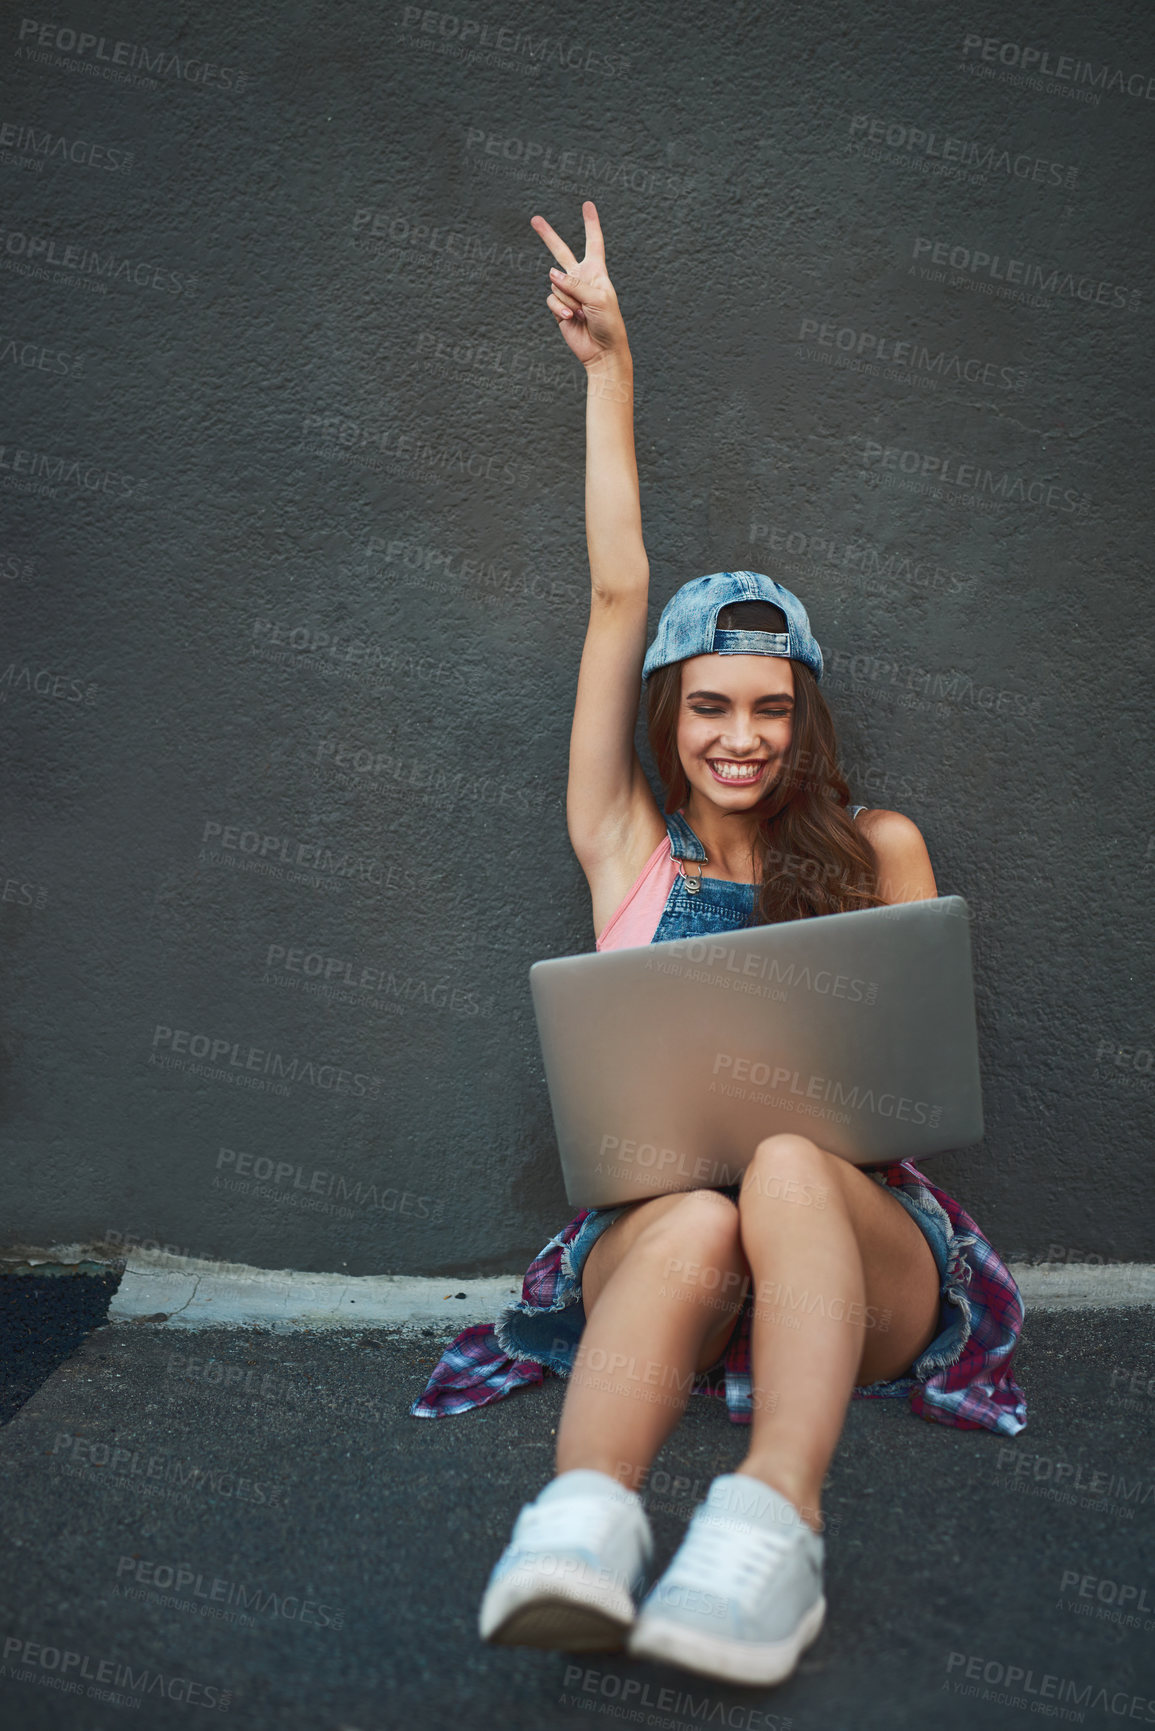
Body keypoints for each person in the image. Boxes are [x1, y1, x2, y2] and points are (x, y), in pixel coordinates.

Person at [410, 200, 1026, 1688]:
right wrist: (608, 370)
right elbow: (621, 589)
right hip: (671, 1255)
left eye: (767, 707)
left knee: (798, 1165)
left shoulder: (881, 850)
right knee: (694, 1213)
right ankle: (580, 1527)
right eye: (707, 705)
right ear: (670, 720)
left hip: (849, 1252)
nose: (738, 736)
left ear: (800, 715)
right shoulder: (623, 844)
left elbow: (914, 1085)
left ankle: (769, 1533)